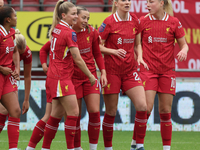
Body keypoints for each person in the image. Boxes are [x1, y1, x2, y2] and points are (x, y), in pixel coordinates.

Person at [130, 0, 189, 150]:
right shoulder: (142, 21)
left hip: (167, 72)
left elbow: (184, 44)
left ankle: (166, 148)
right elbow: (136, 44)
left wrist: (184, 50)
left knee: (165, 111)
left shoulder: (174, 22)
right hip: (148, 70)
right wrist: (139, 56)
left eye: (151, 2)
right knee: (146, 108)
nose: (147, 5)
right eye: (147, 2)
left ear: (161, 3)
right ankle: (138, 145)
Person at [40, 1, 96, 150]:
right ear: (64, 15)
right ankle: (72, 148)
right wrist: (91, 75)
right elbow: (77, 58)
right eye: (73, 14)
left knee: (55, 116)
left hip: (55, 76)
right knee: (73, 113)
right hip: (61, 77)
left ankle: (42, 148)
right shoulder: (69, 32)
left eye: (76, 13)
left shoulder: (57, 29)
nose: (76, 17)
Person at [98, 0, 148, 150]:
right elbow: (98, 46)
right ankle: (108, 148)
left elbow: (138, 44)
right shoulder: (108, 22)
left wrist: (139, 57)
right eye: (123, 0)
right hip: (112, 72)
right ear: (116, 3)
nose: (127, 2)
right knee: (111, 112)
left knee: (142, 106)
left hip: (130, 71)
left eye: (128, 0)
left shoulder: (135, 20)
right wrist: (113, 51)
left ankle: (138, 145)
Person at [71, 6, 107, 150]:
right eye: (83, 17)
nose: (86, 21)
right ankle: (77, 147)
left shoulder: (92, 32)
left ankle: (93, 148)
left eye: (88, 18)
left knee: (94, 111)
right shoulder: (68, 33)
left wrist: (103, 72)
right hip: (73, 77)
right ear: (75, 17)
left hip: (90, 77)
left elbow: (97, 54)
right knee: (75, 115)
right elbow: (47, 49)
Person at [0, 29, 32, 131]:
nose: (20, 56)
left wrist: (26, 100)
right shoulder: (5, 46)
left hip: (9, 76)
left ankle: (13, 147)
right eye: (18, 53)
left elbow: (27, 76)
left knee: (10, 110)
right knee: (5, 110)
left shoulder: (27, 52)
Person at [0, 6, 21, 150]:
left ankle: (13, 148)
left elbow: (12, 52)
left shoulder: (11, 33)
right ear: (8, 19)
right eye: (15, 16)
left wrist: (14, 68)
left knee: (15, 111)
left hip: (6, 77)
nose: (16, 18)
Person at [25, 41, 52, 150]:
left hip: (70, 79)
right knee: (51, 116)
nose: (85, 22)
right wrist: (45, 66)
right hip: (59, 80)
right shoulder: (63, 35)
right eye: (73, 21)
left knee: (70, 115)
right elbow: (43, 50)